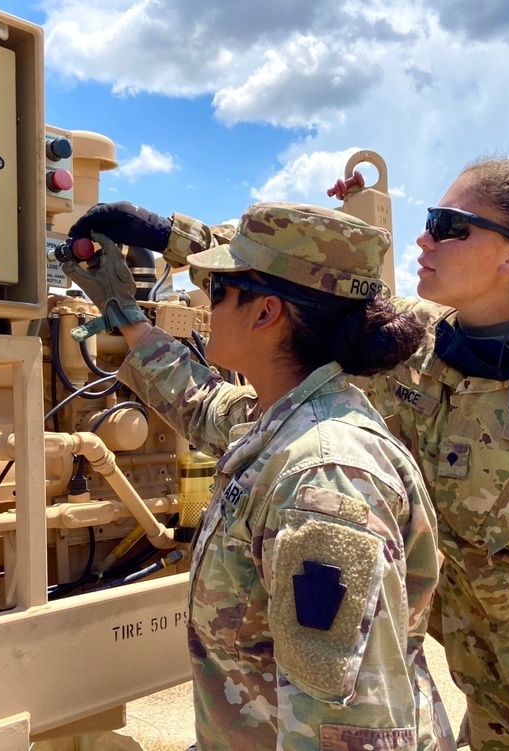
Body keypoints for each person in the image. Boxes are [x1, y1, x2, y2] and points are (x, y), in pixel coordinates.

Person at [68, 158, 509, 750]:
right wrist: (164, 249)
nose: (424, 239)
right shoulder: (414, 363)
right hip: (501, 720)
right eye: (428, 223)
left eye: (449, 227)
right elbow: (294, 304)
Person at [62, 202, 454, 751]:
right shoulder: (288, 420)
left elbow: (343, 726)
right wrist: (125, 314)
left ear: (267, 312)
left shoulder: (322, 479)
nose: (206, 303)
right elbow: (202, 406)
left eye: (218, 292)